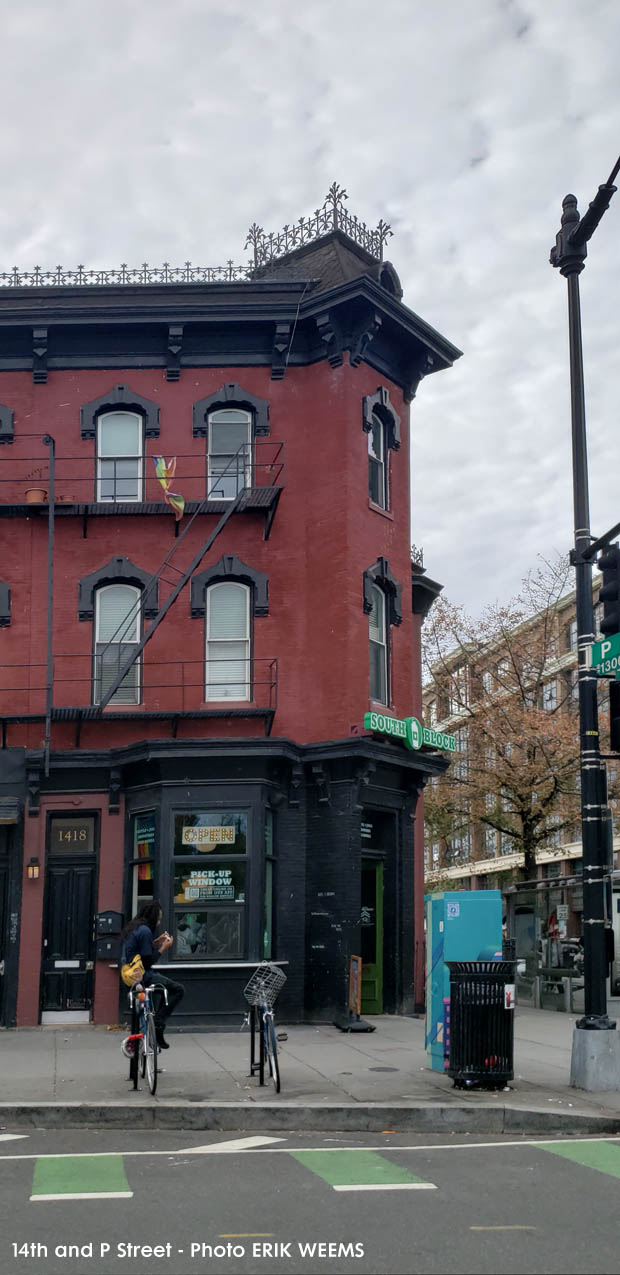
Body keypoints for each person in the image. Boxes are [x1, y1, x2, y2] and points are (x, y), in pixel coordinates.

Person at [120, 900, 184, 1049]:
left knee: (160, 991)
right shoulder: (145, 931)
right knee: (178, 989)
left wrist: (156, 942)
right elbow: (148, 962)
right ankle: (158, 1024)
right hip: (142, 976)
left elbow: (141, 952)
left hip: (131, 975)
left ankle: (152, 1028)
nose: (159, 922)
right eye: (159, 918)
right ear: (153, 917)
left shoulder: (136, 928)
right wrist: (164, 947)